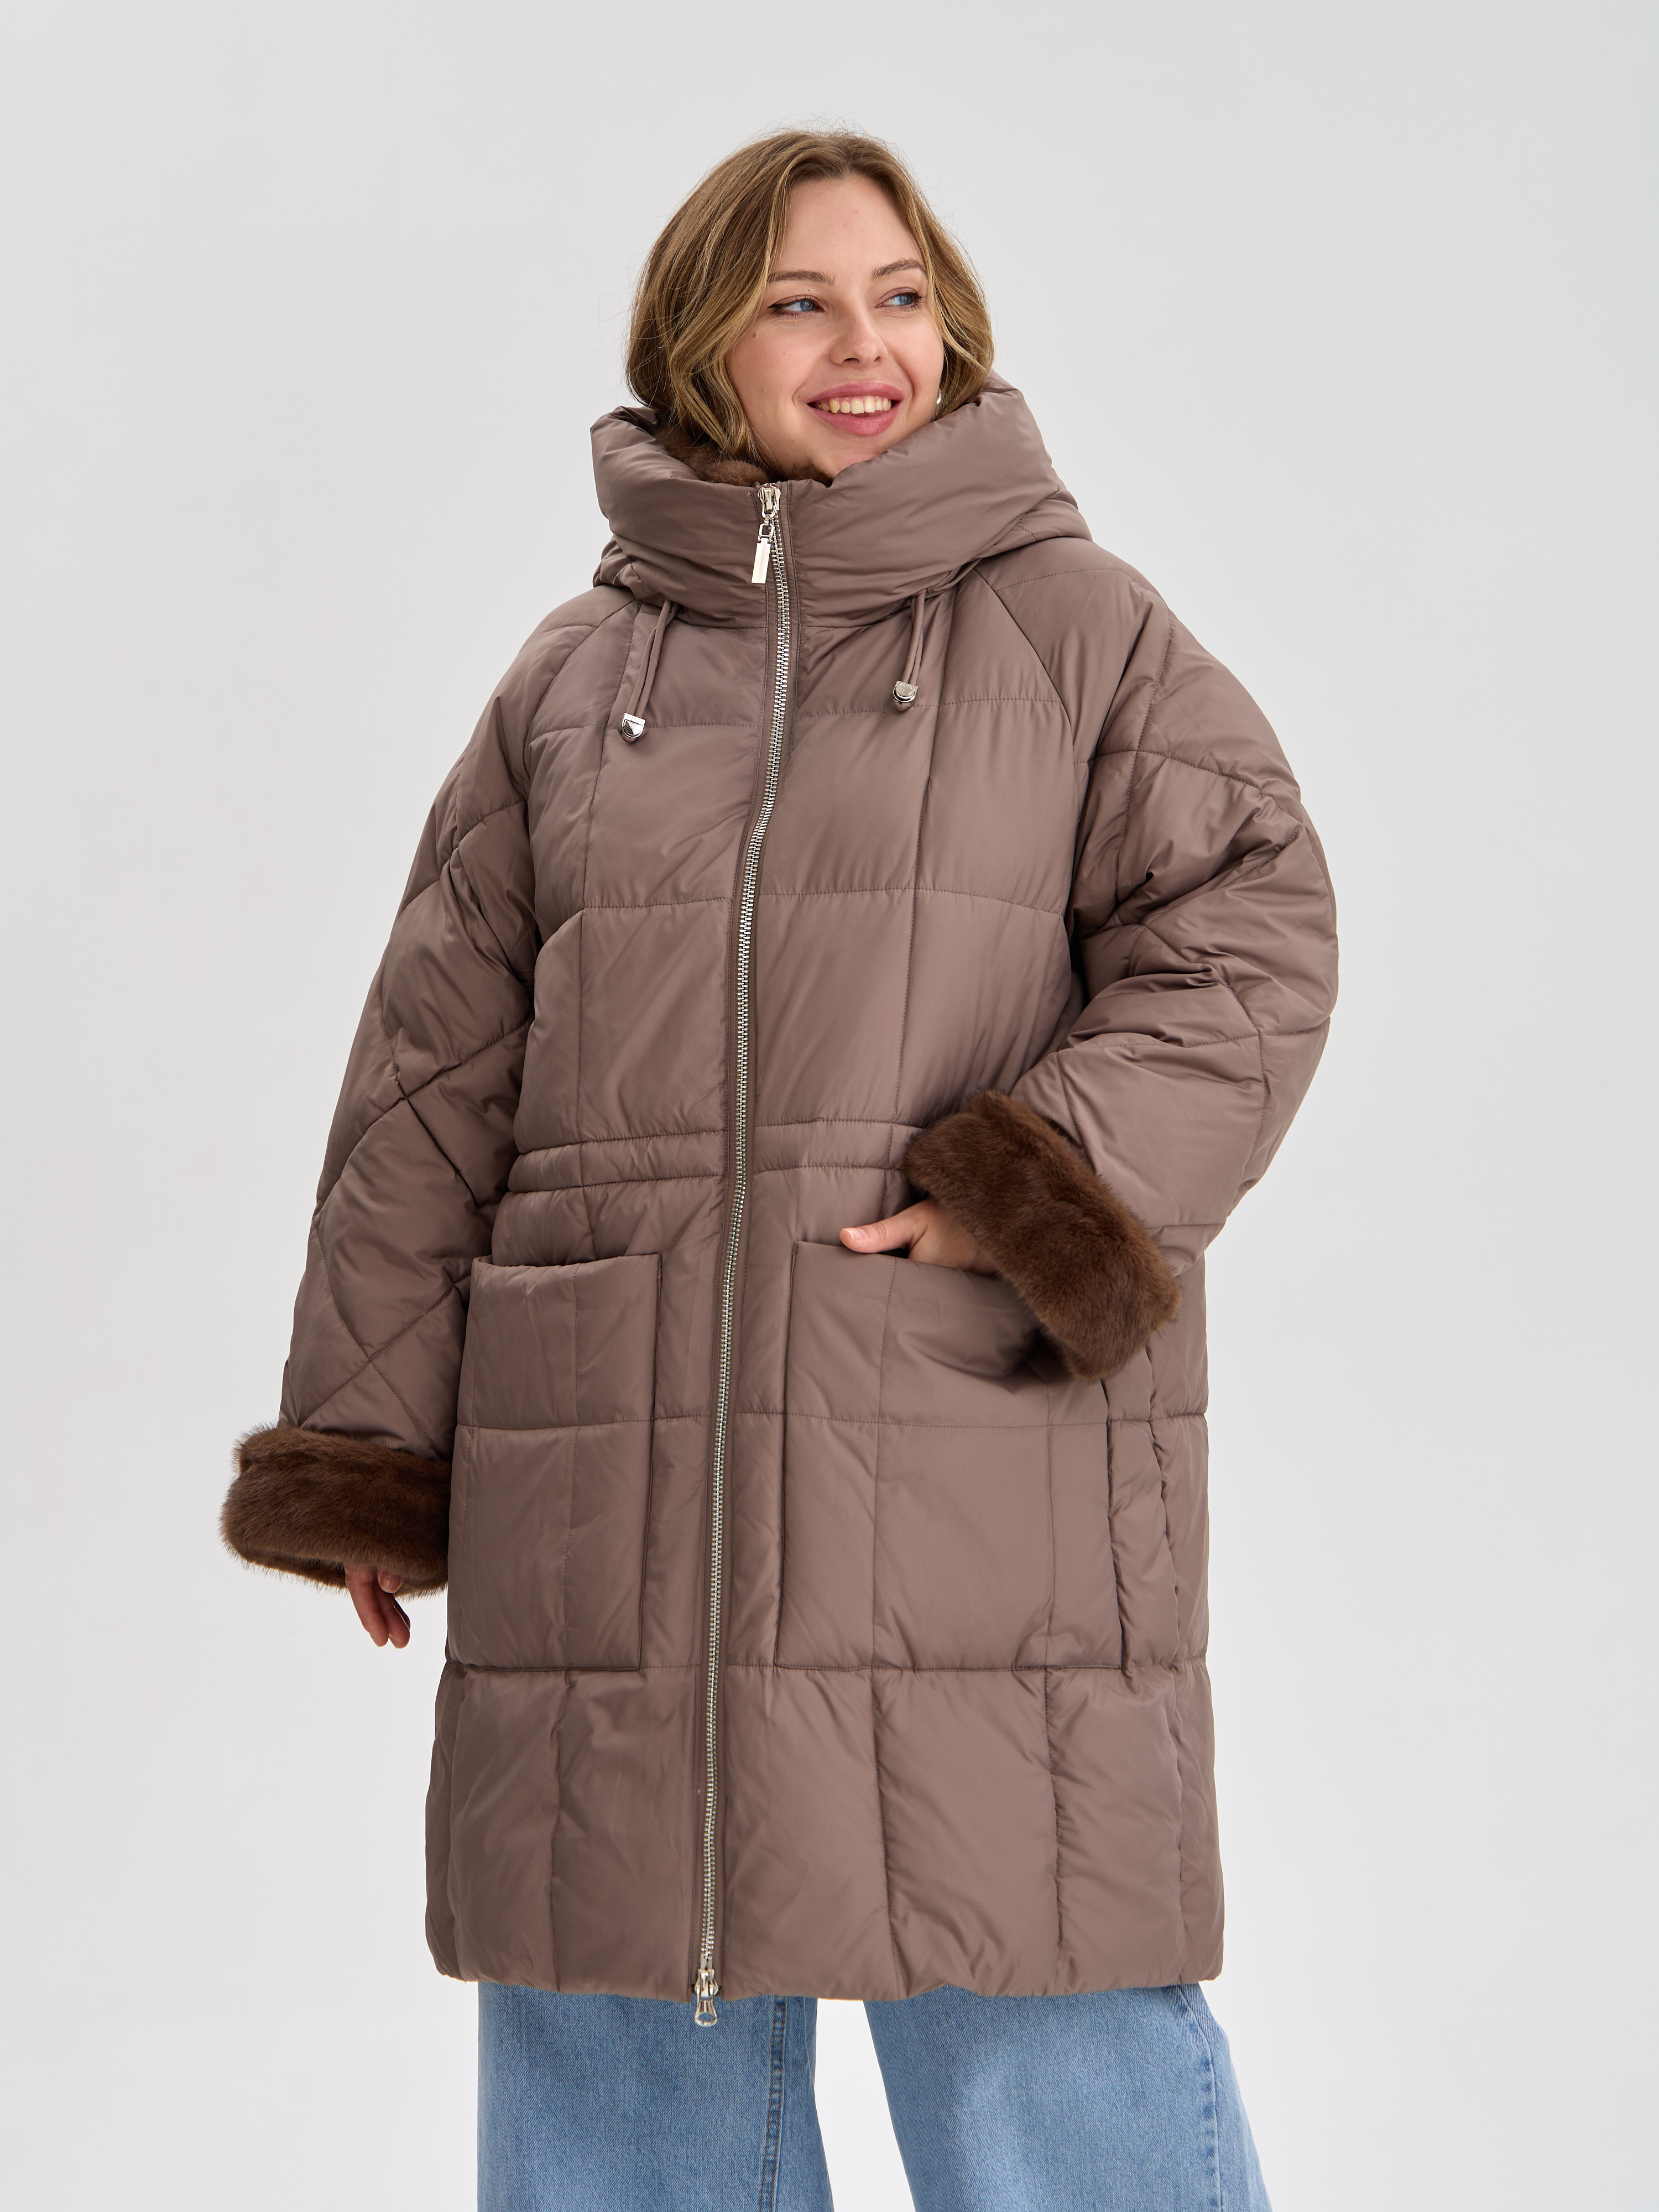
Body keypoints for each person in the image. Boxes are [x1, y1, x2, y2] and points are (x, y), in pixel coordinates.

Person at [223, 128, 1337, 2211]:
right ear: (700, 345)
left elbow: (1252, 932)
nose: (862, 346)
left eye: (899, 297)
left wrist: (1042, 1183)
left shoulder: (1081, 633)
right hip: (607, 1485)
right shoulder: (573, 688)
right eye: (799, 302)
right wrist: (371, 1444)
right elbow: (430, 1081)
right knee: (616, 2027)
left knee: (1030, 2014)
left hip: (966, 1470)